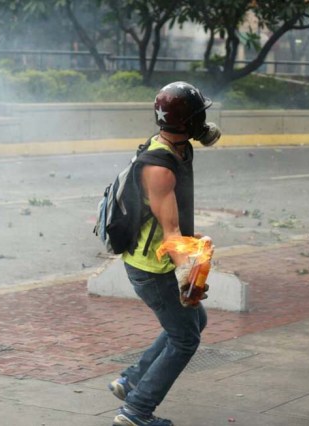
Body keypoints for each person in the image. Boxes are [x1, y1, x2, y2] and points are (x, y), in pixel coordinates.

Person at [108, 81, 220, 426]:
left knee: (195, 322)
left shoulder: (178, 146)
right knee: (185, 339)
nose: (204, 123)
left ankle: (131, 380)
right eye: (198, 116)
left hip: (157, 259)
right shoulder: (159, 167)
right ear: (185, 124)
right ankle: (137, 410)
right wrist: (188, 278)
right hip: (153, 268)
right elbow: (170, 234)